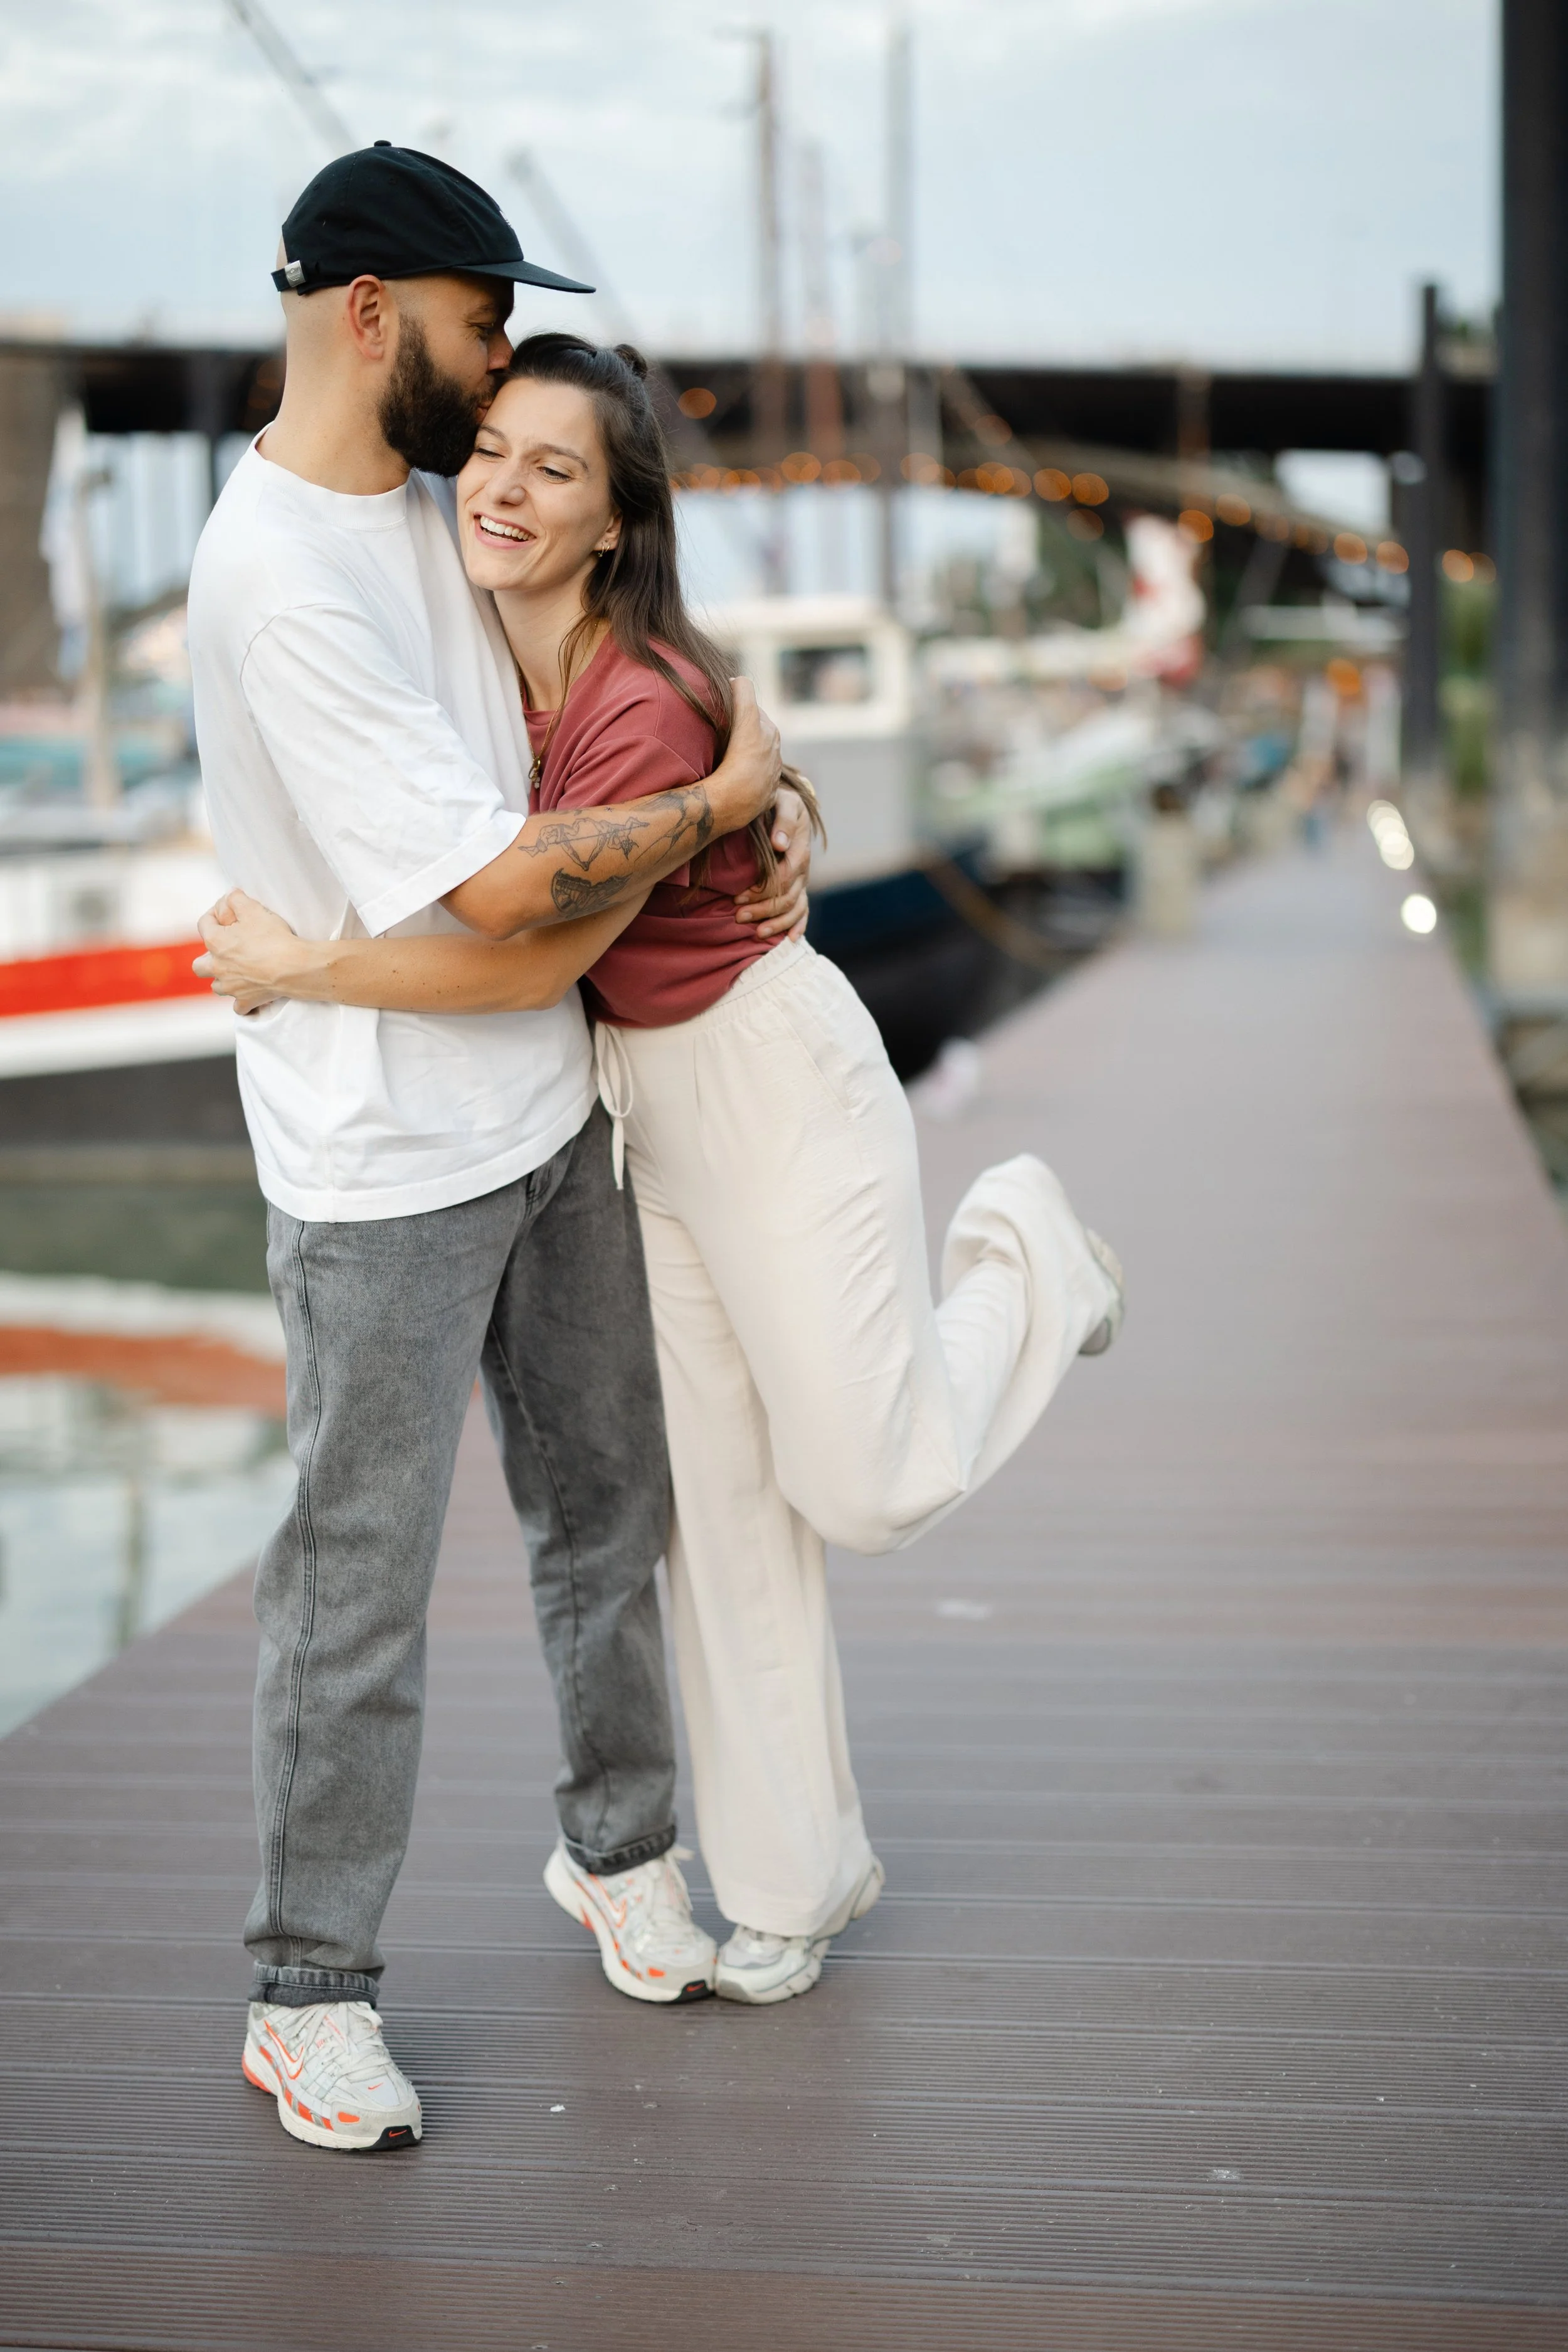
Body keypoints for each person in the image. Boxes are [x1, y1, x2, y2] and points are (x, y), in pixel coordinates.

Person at [198, 333, 1126, 2019]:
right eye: (490, 448)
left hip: (767, 1078)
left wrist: (303, 955)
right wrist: (751, 790)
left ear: (617, 523)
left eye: (555, 471)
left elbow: (517, 960)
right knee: (724, 1520)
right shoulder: (468, 620)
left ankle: (1026, 1257)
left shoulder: (634, 703)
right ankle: (786, 1881)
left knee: (869, 1480)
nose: (501, 486)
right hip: (632, 1108)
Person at [186, 148, 812, 2155]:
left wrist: (742, 819)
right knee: (357, 1588)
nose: (500, 362)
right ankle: (306, 1991)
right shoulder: (279, 577)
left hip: (548, 1114)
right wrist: (722, 797)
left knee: (601, 1514)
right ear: (373, 313)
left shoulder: (434, 508)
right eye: (478, 321)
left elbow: (591, 692)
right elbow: (503, 881)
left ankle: (620, 1850)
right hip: (379, 1162)